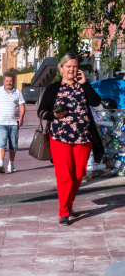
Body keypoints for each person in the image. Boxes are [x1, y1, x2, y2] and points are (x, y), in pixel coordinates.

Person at [38, 52, 104, 226]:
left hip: (83, 137)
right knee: (65, 176)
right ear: (61, 68)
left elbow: (96, 101)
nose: (72, 70)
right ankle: (64, 213)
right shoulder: (53, 89)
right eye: (68, 66)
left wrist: (85, 83)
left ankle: (69, 202)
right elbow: (41, 111)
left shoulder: (83, 86)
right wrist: (54, 114)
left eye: (75, 66)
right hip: (60, 137)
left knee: (79, 174)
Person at [0, 70, 26, 173]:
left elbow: (22, 106)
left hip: (13, 123)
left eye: (10, 81)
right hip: (0, 123)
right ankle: (1, 164)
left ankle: (11, 164)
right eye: (7, 81)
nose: (8, 83)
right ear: (4, 81)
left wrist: (21, 117)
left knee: (13, 145)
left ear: (13, 81)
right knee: (1, 143)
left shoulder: (17, 92)